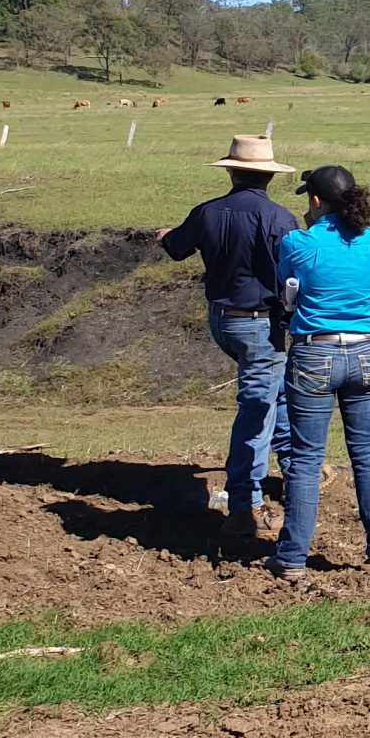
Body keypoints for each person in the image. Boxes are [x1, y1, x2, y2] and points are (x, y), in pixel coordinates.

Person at [156, 133, 299, 544]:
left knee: (273, 394)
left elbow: (177, 247)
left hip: (223, 319)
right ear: (268, 176)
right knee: (257, 410)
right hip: (260, 323)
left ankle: (294, 469)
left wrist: (164, 234)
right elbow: (290, 275)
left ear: (233, 171)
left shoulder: (208, 212)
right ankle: (244, 506)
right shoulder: (280, 219)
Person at [271, 163, 370, 577]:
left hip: (316, 352)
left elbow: (286, 293)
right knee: (367, 454)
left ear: (316, 200)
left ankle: (291, 558)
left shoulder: (298, 243)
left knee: (306, 460)